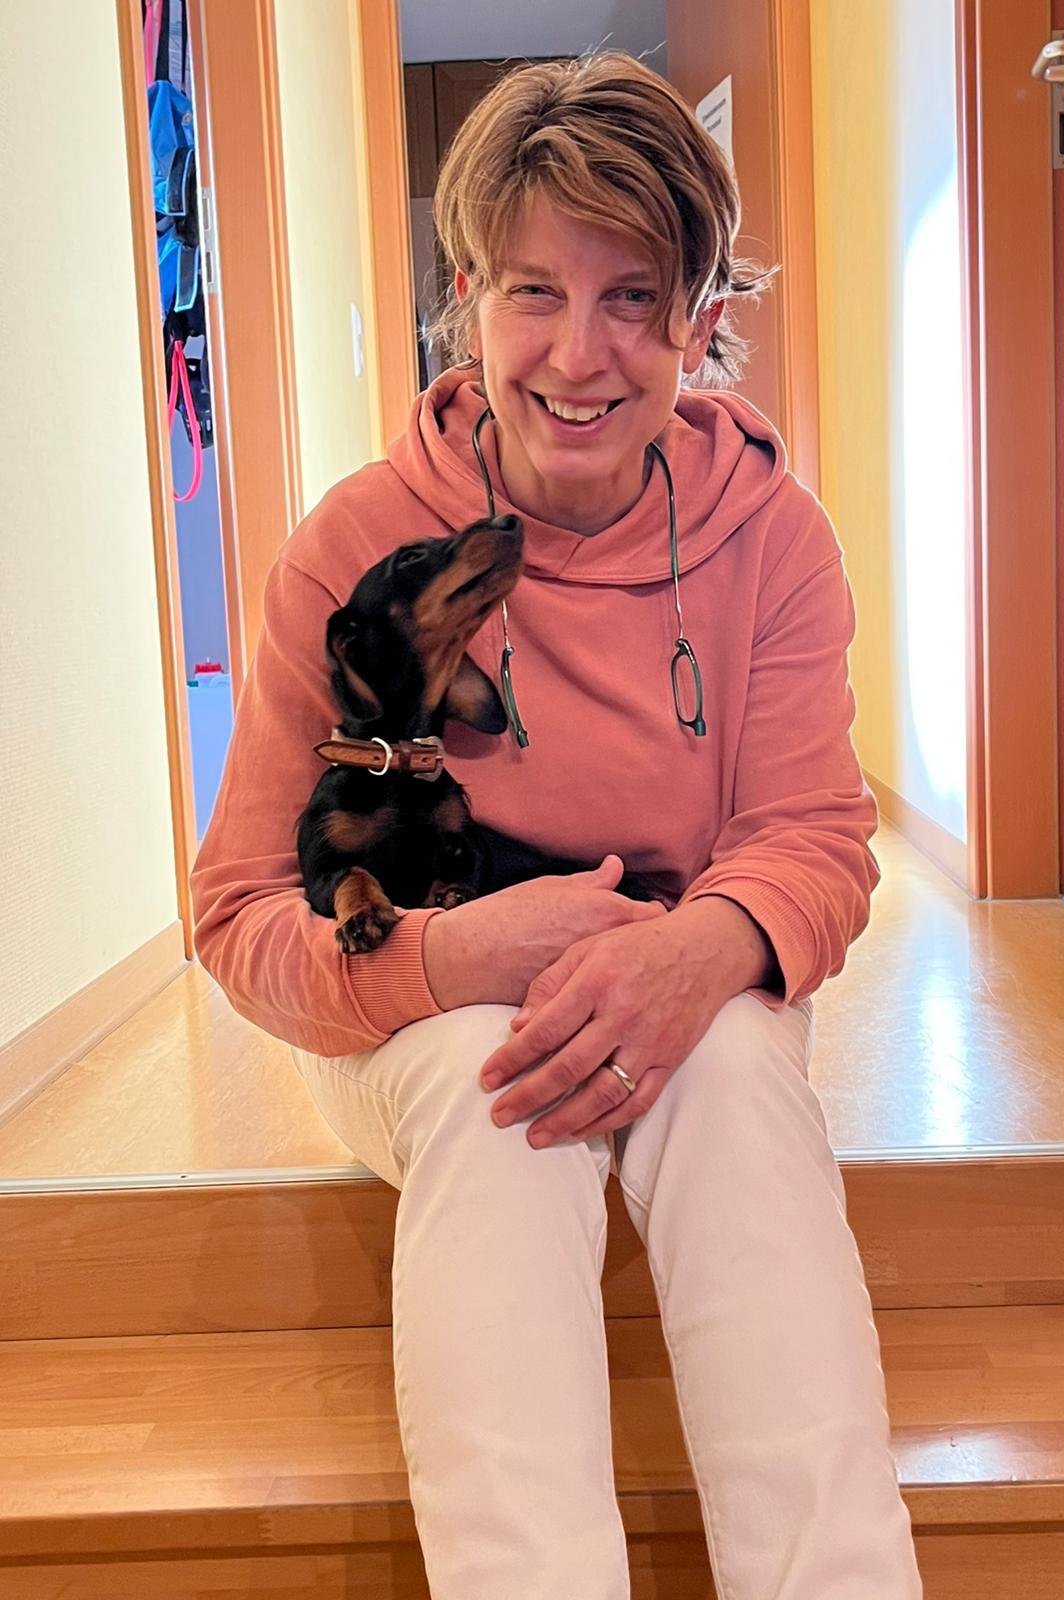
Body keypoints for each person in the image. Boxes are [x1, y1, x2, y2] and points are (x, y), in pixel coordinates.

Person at [191, 50, 923, 1600]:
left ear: (700, 322)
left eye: (633, 299)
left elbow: (812, 834)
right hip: (417, 1010)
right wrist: (451, 960)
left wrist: (702, 951)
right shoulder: (355, 547)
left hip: (682, 978)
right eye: (534, 292)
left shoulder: (774, 539)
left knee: (736, 1070)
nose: (579, 356)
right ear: (467, 299)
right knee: (491, 1084)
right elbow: (241, 912)